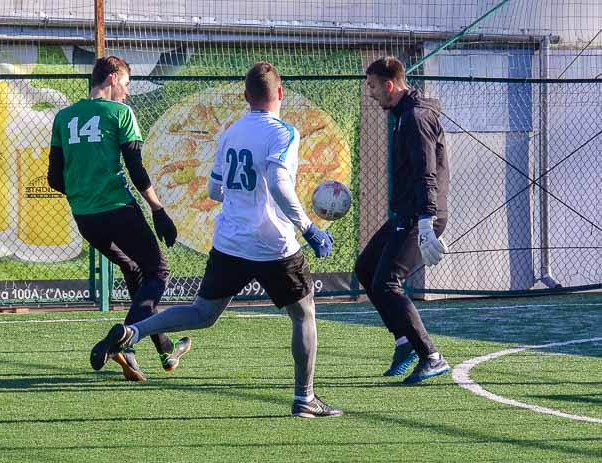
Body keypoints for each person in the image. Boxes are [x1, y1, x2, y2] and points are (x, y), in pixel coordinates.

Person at [90, 61, 343, 418]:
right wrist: (309, 228)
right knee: (303, 315)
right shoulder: (284, 132)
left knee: (202, 313)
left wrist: (244, 193)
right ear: (280, 94)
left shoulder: (232, 132)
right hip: (274, 244)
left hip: (231, 241)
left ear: (246, 97)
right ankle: (305, 397)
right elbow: (280, 184)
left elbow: (214, 189)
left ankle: (133, 331)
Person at [47, 55, 191, 381]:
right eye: (126, 84)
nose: (127, 93)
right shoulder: (120, 113)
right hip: (118, 209)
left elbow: (54, 178)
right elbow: (136, 169)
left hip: (85, 217)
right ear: (113, 78)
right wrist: (159, 210)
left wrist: (84, 191)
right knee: (158, 272)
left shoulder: (64, 117)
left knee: (135, 271)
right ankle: (125, 342)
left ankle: (164, 347)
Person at [354, 56, 451, 384]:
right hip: (408, 214)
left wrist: (426, 221)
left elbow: (426, 173)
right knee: (366, 269)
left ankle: (431, 355)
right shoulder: (402, 115)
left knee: (387, 283)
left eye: (372, 86)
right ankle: (403, 340)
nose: (370, 93)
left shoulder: (415, 117)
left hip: (421, 215)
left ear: (389, 85)